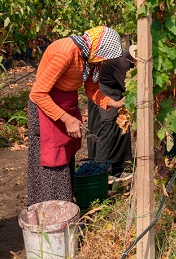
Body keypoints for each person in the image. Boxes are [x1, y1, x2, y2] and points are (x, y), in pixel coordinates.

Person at [27, 26, 125, 207]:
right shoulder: (66, 52)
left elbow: (92, 90)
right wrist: (68, 119)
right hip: (46, 106)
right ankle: (50, 209)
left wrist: (115, 103)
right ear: (98, 47)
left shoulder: (90, 60)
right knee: (53, 159)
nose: (103, 61)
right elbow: (38, 93)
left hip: (66, 105)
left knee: (66, 154)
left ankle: (66, 204)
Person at [87, 49, 134, 177]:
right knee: (107, 128)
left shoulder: (127, 60)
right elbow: (131, 87)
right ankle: (101, 172)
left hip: (116, 92)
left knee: (121, 127)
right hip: (104, 93)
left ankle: (117, 170)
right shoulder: (122, 63)